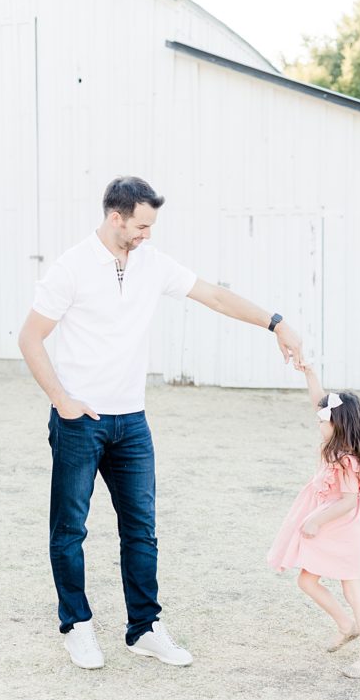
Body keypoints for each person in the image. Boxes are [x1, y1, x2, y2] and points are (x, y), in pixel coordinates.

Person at [18, 176, 305, 669]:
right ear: (116, 217)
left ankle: (144, 628)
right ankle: (77, 625)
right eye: (142, 225)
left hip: (132, 421)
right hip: (80, 422)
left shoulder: (152, 264)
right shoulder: (71, 268)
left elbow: (214, 295)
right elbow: (29, 338)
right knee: (70, 529)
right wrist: (61, 400)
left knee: (142, 531)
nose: (147, 234)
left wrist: (275, 323)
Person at [266, 365, 360, 679]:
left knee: (351, 587)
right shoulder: (332, 447)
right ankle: (346, 625)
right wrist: (309, 375)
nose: (317, 423)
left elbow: (349, 501)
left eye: (321, 421)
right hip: (328, 524)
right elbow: (319, 402)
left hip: (342, 527)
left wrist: (317, 520)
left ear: (337, 423)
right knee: (307, 581)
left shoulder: (347, 459)